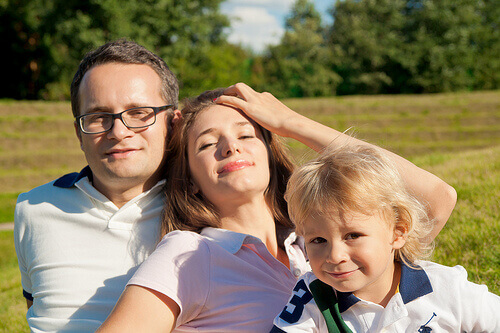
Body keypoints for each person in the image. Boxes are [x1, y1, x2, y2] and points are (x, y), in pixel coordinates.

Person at [97, 83, 457, 332]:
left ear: (269, 154)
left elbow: (435, 200)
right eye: (208, 144)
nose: (230, 147)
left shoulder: (323, 244)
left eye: (246, 135)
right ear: (190, 178)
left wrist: (291, 124)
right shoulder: (189, 255)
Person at [14, 39, 180, 332]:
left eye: (139, 113)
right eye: (98, 117)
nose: (118, 131)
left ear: (173, 123)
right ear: (79, 134)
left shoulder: (203, 209)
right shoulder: (32, 208)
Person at [271, 145, 500, 332]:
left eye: (353, 236)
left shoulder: (447, 288)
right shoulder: (313, 296)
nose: (335, 256)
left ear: (398, 232)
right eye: (318, 240)